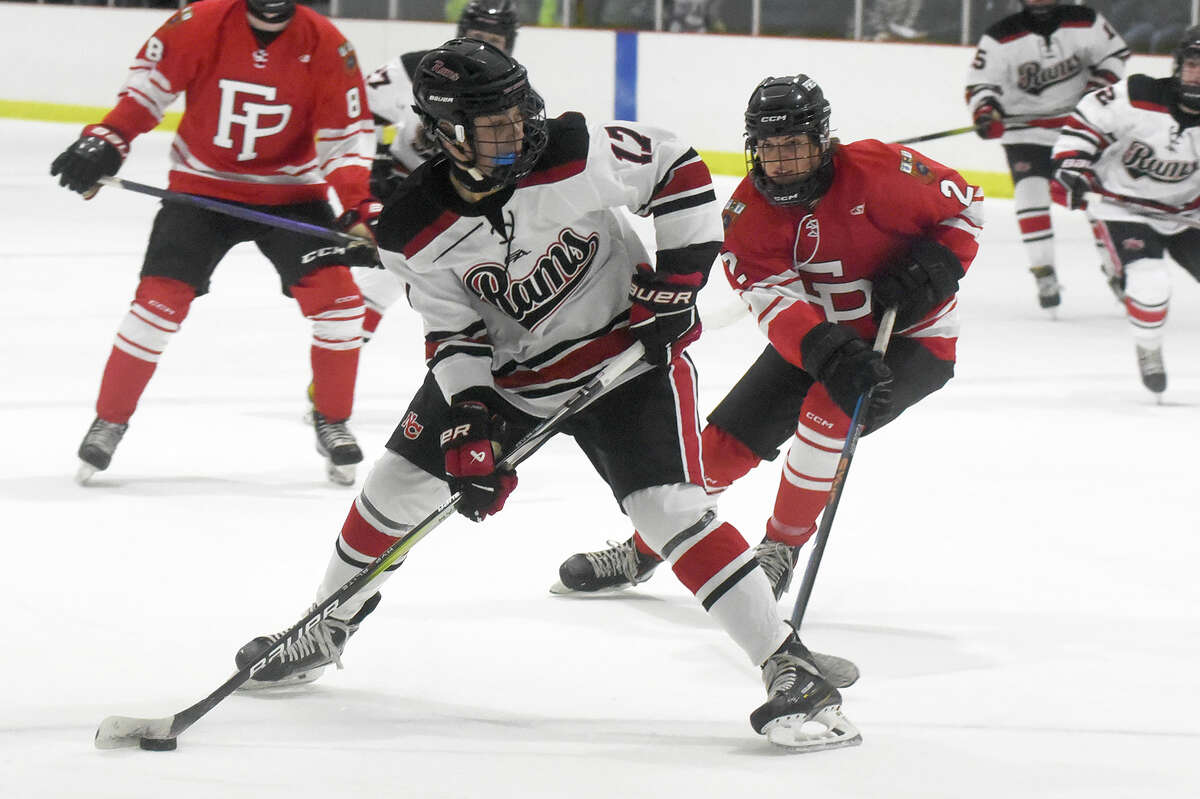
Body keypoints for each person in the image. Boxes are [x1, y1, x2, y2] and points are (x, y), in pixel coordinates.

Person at [230, 40, 861, 752]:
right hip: (509, 379)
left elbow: (676, 167)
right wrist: (468, 419)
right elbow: (453, 332)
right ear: (446, 135)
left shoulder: (574, 149)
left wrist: (680, 280)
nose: (520, 128)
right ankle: (324, 624)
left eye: (519, 110)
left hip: (628, 359)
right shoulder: (413, 226)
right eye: (495, 123)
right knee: (396, 484)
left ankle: (790, 666)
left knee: (667, 509)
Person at [554, 75, 983, 602]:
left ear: (822, 140)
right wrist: (825, 350)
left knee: (823, 420)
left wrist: (937, 264)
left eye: (794, 146)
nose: (781, 162)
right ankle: (645, 550)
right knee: (719, 448)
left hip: (912, 338)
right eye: (769, 148)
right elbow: (776, 305)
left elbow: (966, 207)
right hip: (818, 340)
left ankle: (779, 547)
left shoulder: (881, 170)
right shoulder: (744, 217)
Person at [49, 0, 379, 486]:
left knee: (342, 305)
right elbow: (146, 92)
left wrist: (357, 207)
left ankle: (331, 418)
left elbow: (344, 139)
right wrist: (108, 139)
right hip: (200, 191)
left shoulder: (328, 44)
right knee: (155, 308)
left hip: (292, 198)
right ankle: (110, 421)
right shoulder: (200, 22)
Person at [353, 0, 519, 345]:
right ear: (461, 33)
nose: (485, 44)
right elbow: (361, 107)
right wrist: (378, 161)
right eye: (477, 35)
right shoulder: (420, 67)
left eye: (496, 39)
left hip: (456, 196)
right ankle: (345, 344)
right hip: (397, 183)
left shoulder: (510, 90)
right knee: (389, 276)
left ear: (510, 44)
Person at [1052, 27, 1200, 397]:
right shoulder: (1139, 93)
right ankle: (1149, 350)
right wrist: (1074, 166)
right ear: (1179, 65)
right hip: (1123, 207)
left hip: (1187, 213)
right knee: (1151, 283)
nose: (1197, 74)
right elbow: (1088, 121)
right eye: (1193, 64)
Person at [965, 0, 1128, 312]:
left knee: (1095, 197)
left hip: (1080, 127)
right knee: (1030, 194)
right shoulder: (1000, 36)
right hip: (1025, 132)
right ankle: (1044, 273)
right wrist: (986, 111)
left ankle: (1118, 268)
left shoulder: (1086, 21)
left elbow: (1114, 54)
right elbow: (981, 84)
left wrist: (1095, 90)